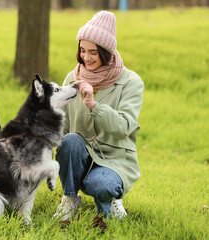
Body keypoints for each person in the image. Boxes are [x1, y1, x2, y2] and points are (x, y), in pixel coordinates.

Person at [53, 10, 144, 230]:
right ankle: (70, 197)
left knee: (101, 184)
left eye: (93, 52)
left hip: (114, 159)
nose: (86, 57)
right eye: (82, 50)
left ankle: (110, 200)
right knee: (70, 140)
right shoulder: (71, 78)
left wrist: (93, 105)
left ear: (106, 52)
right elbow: (62, 127)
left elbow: (123, 127)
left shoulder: (130, 82)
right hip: (80, 155)